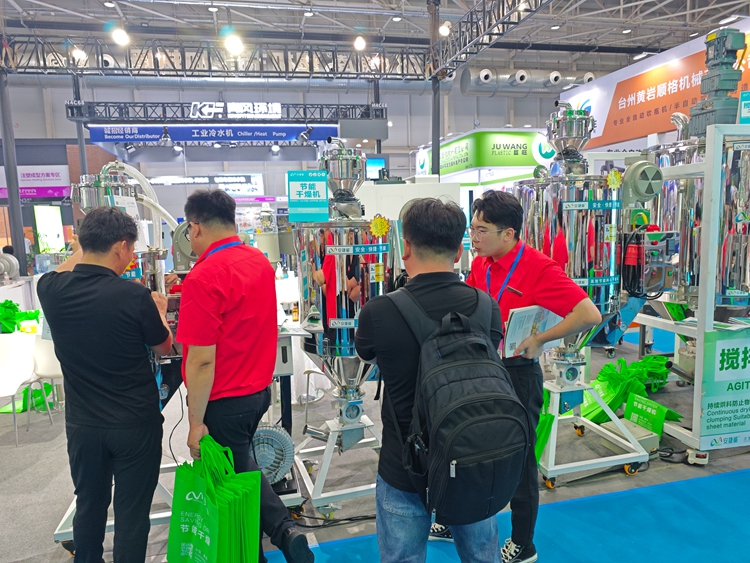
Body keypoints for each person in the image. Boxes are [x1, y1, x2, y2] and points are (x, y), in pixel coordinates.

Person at [439, 189, 601, 563]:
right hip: (482, 369)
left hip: (518, 374)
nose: (474, 237)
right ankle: (458, 519)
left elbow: (589, 314)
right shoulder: (481, 264)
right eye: (473, 229)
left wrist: (540, 339)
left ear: (509, 234)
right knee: (470, 448)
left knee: (519, 458)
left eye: (481, 230)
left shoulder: (540, 268)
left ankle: (523, 543)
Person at [355, 198, 504, 563]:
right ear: (459, 251)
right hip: (473, 458)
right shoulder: (487, 306)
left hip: (405, 467)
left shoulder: (379, 311)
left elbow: (366, 353)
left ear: (405, 247)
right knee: (482, 557)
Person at [175, 189, 314, 563]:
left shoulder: (203, 277)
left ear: (195, 228)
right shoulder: (258, 262)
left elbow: (201, 362)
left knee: (231, 485)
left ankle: (276, 537)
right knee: (241, 471)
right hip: (257, 392)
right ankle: (280, 535)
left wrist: (195, 423)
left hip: (223, 400)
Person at [37, 207, 173, 563]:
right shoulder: (133, 296)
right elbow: (164, 347)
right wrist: (160, 311)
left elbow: (66, 267)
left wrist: (82, 246)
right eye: (131, 248)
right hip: (135, 424)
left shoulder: (49, 289)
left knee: (89, 506)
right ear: (122, 246)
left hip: (84, 425)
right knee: (132, 516)